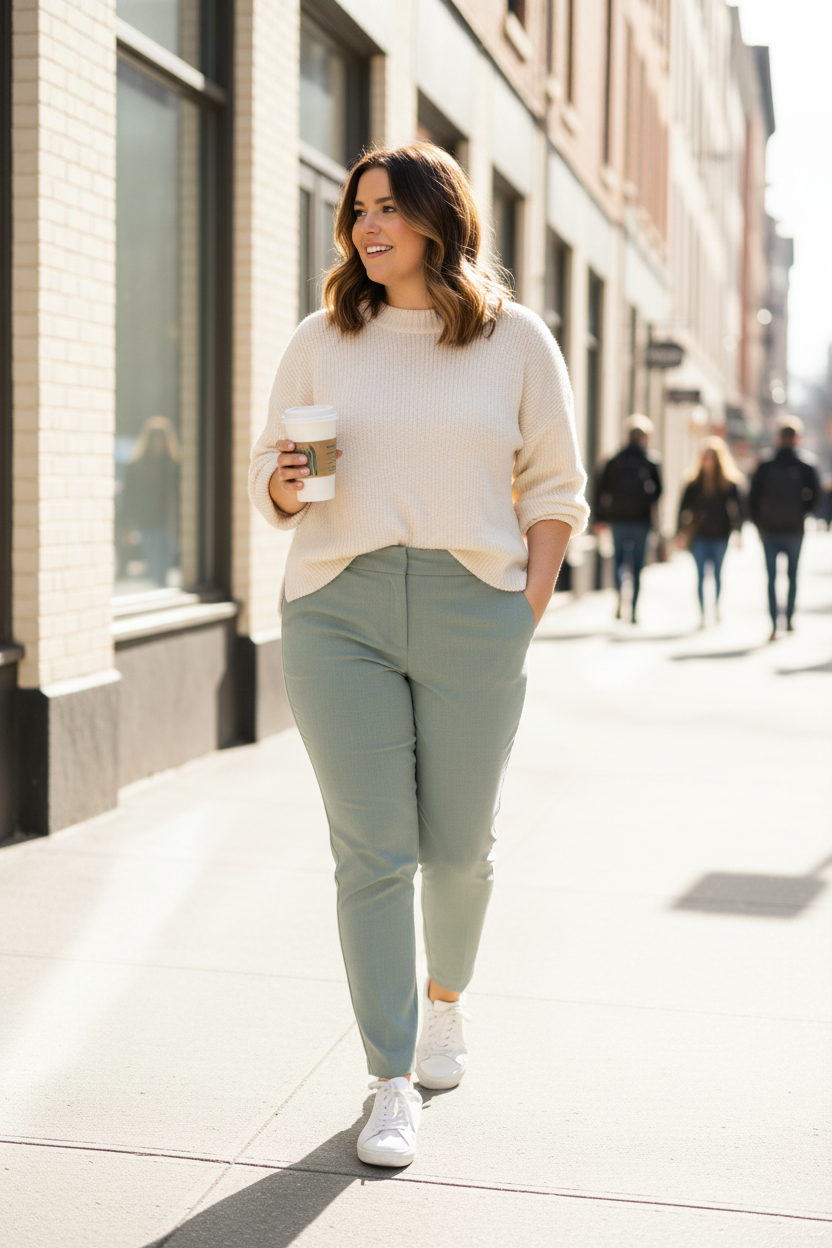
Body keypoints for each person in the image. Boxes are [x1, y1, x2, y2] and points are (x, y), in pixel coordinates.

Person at [248, 143, 587, 1168]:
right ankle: (387, 1079)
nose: (365, 226)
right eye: (357, 209)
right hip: (336, 607)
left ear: (441, 216)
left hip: (469, 607)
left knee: (457, 849)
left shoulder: (514, 339)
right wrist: (289, 481)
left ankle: (447, 1004)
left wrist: (516, 610)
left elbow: (555, 490)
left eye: (387, 207)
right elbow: (273, 485)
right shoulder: (323, 337)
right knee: (372, 852)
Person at [749, 416, 821, 639]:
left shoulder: (765, 463)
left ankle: (774, 622)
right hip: (793, 528)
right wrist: (803, 513)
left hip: (769, 528)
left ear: (778, 437)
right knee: (792, 575)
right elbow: (816, 498)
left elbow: (752, 497)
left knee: (771, 577)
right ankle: (788, 619)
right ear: (797, 438)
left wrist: (758, 523)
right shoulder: (806, 464)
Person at [593, 414, 662, 623]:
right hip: (641, 522)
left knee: (620, 563)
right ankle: (633, 610)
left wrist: (600, 518)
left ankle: (618, 601)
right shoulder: (651, 461)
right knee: (638, 566)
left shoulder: (614, 460)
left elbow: (600, 490)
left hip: (618, 520)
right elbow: (659, 492)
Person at [676, 436, 744, 625]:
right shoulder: (693, 482)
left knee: (717, 575)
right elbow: (682, 508)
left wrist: (739, 533)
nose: (708, 461)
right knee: (700, 575)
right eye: (706, 457)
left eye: (712, 457)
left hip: (721, 535)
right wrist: (679, 533)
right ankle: (702, 614)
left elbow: (738, 510)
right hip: (699, 536)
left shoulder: (729, 483)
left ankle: (716, 608)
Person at [120, 416, 181, 588]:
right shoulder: (136, 466)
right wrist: (126, 525)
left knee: (166, 564)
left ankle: (162, 591)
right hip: (147, 522)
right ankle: (159, 591)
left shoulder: (173, 465)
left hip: (169, 522)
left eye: (162, 438)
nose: (159, 442)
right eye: (156, 438)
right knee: (156, 565)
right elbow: (129, 496)